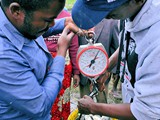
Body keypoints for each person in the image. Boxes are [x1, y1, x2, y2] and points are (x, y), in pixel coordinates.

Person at [72, 0, 160, 119]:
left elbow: (147, 111)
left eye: (108, 12)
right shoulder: (130, 13)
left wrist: (93, 107)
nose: (104, 17)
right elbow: (130, 45)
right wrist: (106, 66)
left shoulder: (156, 41)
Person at [0, 0, 80, 119]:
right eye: (48, 20)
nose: (52, 24)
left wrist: (64, 22)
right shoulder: (5, 57)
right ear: (16, 11)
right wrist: (61, 53)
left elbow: (31, 25)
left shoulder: (17, 20)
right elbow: (40, 107)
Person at [44, 9, 80, 120]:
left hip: (63, 64)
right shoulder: (41, 14)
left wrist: (76, 72)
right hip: (44, 63)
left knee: (61, 98)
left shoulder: (68, 18)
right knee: (46, 95)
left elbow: (74, 47)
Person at [78, 18, 119, 103]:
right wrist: (75, 72)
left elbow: (115, 46)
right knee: (84, 104)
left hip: (103, 74)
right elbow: (74, 46)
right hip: (83, 73)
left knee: (102, 102)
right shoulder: (79, 18)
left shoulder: (111, 21)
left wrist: (111, 70)